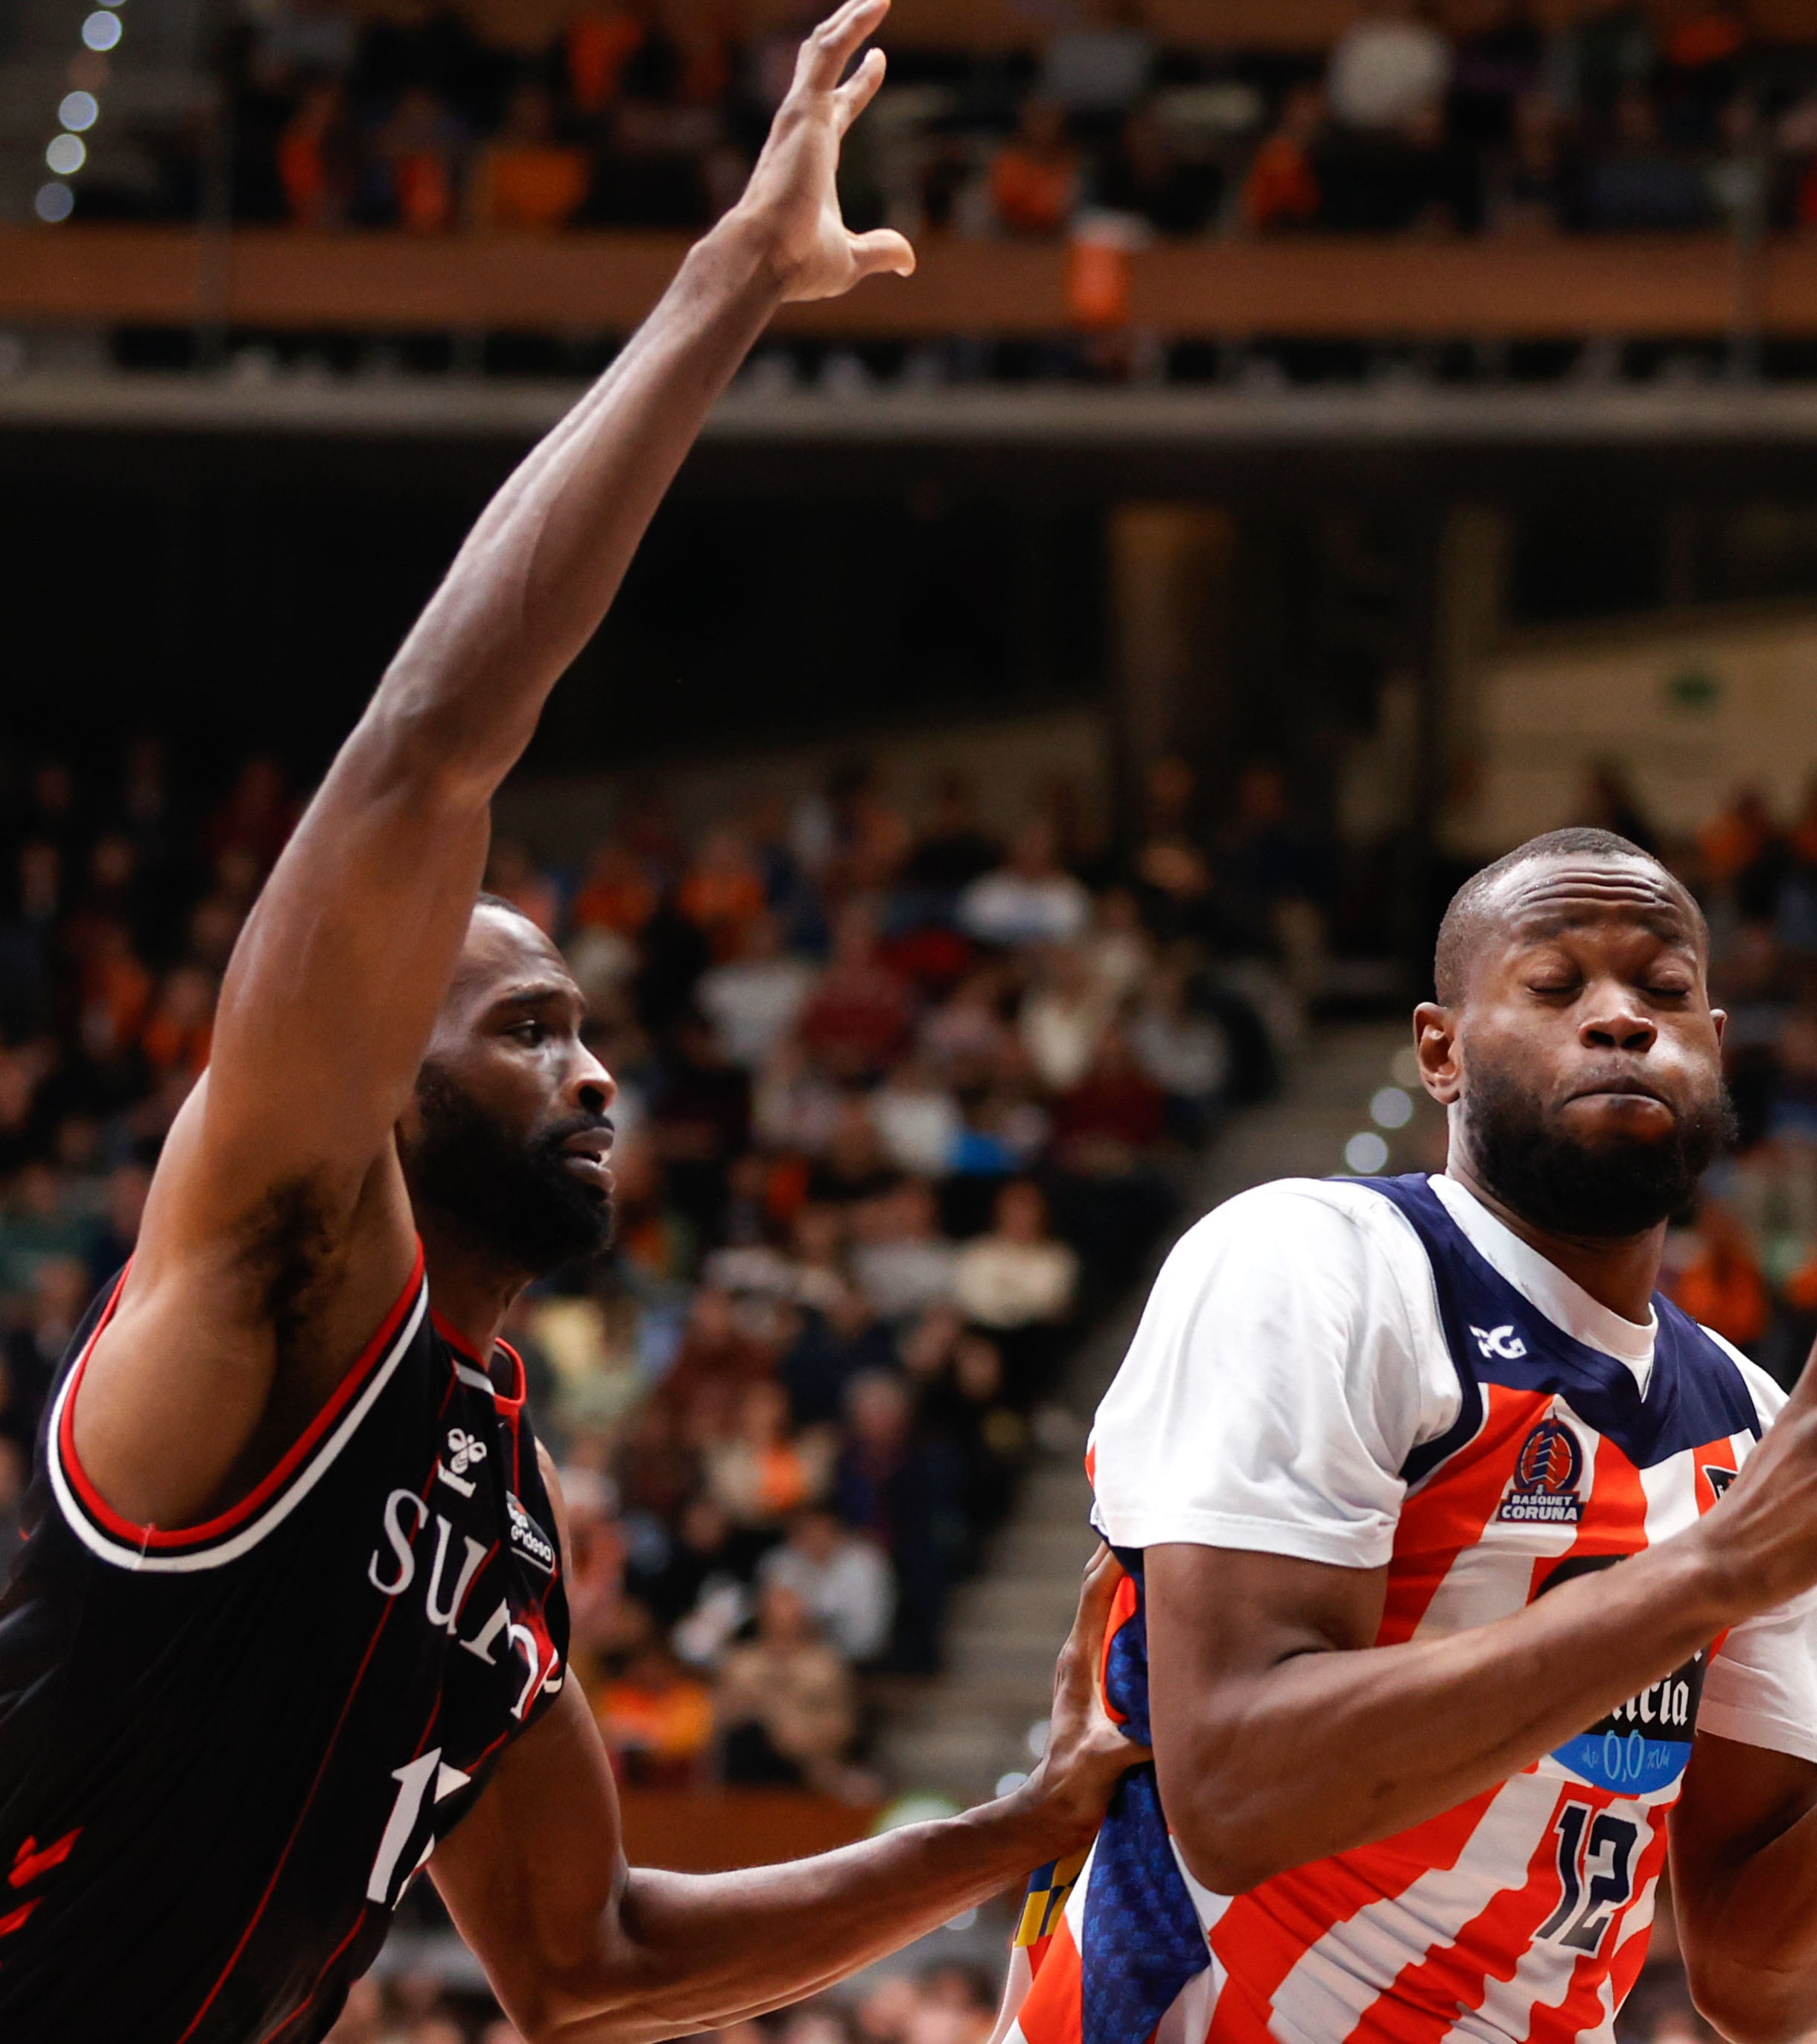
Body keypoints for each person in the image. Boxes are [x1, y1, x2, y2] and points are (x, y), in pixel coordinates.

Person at [0, 7, 1140, 2038]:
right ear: (381, 1062)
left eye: (587, 1028)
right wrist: (728, 287)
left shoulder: (502, 1510)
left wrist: (1008, 1827)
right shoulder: (270, 1261)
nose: (596, 1067)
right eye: (526, 1023)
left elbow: (585, 1967)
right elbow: (424, 760)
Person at [1003, 826, 1817, 2044]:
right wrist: (1706, 1573)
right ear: (1439, 1051)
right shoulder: (1319, 1264)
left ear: (1714, 1053)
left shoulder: (1755, 1426)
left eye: (1664, 991)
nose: (1620, 1018)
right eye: (1555, 986)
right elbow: (1235, 1792)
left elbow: (1760, 1979)